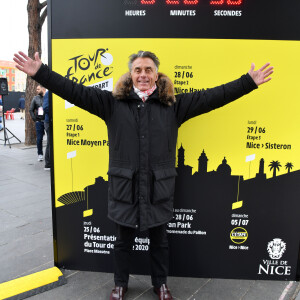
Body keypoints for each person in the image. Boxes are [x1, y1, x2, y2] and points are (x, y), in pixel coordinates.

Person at [13, 50, 273, 300]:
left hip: (158, 188)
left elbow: (213, 97)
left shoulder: (173, 105)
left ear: (157, 75)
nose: (143, 74)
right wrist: (42, 74)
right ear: (131, 74)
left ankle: (160, 285)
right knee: (122, 242)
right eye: (138, 70)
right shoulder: (111, 104)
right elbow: (74, 90)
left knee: (160, 242)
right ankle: (120, 285)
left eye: (149, 69)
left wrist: (248, 82)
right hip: (125, 187)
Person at [29, 84, 46, 162]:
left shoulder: (47, 97)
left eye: (38, 89)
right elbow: (31, 110)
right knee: (39, 139)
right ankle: (40, 154)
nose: (36, 91)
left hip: (47, 121)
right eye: (36, 89)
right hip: (39, 122)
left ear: (43, 89)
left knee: (50, 139)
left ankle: (50, 155)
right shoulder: (35, 98)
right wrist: (35, 119)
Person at [43, 90, 51, 170]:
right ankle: (48, 164)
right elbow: (45, 107)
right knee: (50, 142)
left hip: (51, 121)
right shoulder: (49, 93)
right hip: (49, 121)